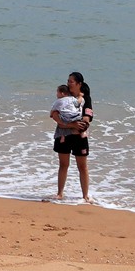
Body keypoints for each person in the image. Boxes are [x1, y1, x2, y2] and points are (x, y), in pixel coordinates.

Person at [53, 71, 94, 202]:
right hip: (63, 134)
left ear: (79, 84)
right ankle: (60, 193)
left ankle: (85, 195)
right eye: (68, 81)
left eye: (71, 81)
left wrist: (81, 125)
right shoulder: (65, 96)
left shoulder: (86, 98)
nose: (68, 83)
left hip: (80, 136)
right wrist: (70, 124)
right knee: (63, 164)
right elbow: (54, 113)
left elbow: (87, 117)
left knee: (82, 166)